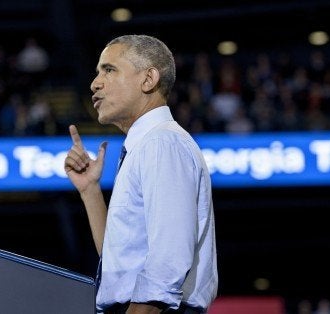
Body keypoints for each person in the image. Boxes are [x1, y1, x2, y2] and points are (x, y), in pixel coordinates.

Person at [64, 34, 218, 313]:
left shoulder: (162, 144)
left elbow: (167, 265)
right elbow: (121, 264)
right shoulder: (147, 144)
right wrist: (90, 191)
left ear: (148, 79)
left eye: (109, 70)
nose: (94, 83)